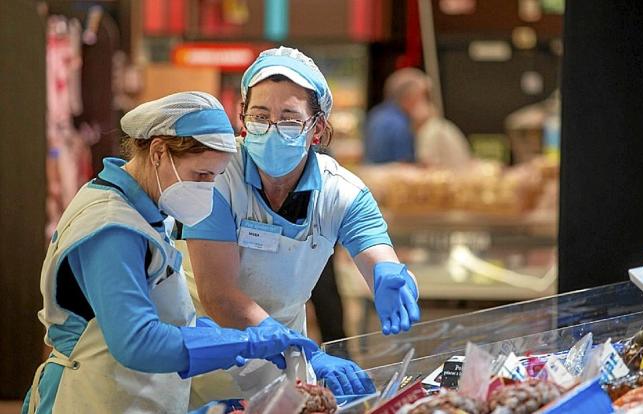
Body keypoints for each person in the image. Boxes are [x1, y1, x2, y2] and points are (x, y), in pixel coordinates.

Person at [23, 92, 318, 414]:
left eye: (216, 177)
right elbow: (137, 342)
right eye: (201, 175)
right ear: (159, 152)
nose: (208, 188)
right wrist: (244, 343)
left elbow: (166, 318)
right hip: (87, 399)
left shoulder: (142, 212)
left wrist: (235, 342)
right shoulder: (112, 227)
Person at [181, 47, 421, 401]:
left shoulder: (342, 191)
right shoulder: (216, 176)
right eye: (260, 116)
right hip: (203, 355)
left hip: (283, 364)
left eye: (290, 119)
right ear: (243, 118)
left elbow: (378, 255)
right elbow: (219, 295)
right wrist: (305, 351)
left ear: (317, 128)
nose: (273, 129)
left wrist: (393, 277)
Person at [363, 67, 431, 164]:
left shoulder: (376, 113)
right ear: (409, 96)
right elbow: (404, 164)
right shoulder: (400, 123)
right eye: (422, 96)